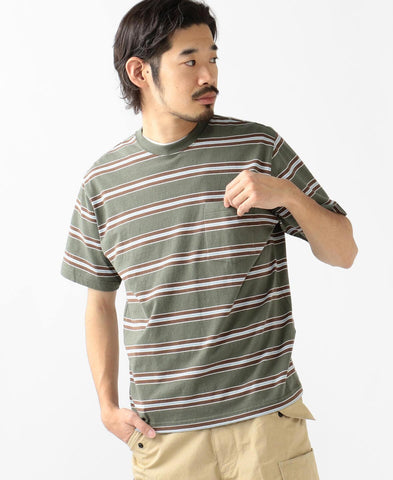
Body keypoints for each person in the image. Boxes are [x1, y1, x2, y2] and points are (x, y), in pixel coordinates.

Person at [60, 1, 358, 478]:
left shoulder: (258, 148)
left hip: (265, 427)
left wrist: (287, 195)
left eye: (213, 58)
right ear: (139, 72)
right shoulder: (103, 184)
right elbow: (99, 302)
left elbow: (344, 252)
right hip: (165, 437)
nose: (209, 76)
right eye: (190, 61)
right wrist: (107, 405)